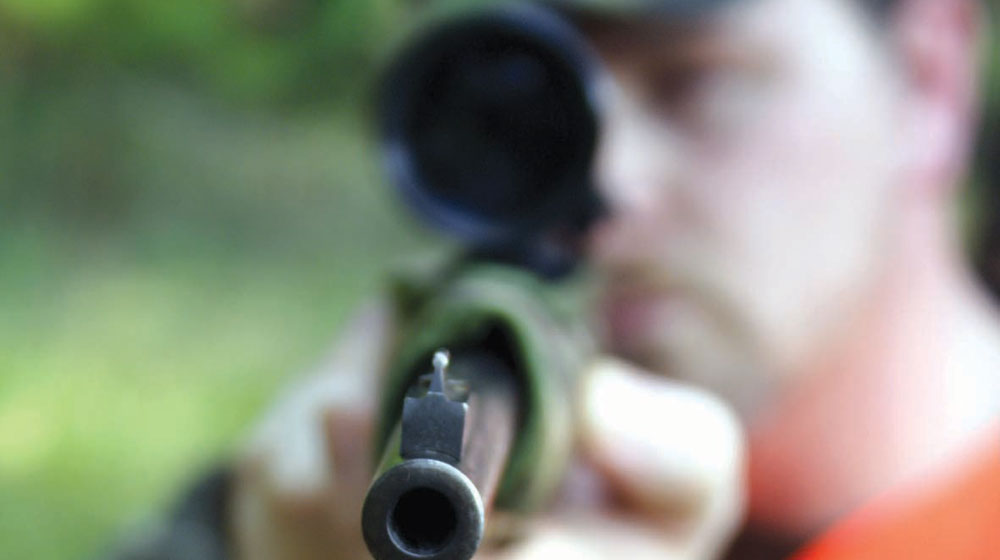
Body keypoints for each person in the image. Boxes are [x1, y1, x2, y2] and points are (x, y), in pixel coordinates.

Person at [114, 0, 996, 558]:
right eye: (523, 103)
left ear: (931, 80)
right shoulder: (319, 511)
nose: (602, 185)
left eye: (692, 81)